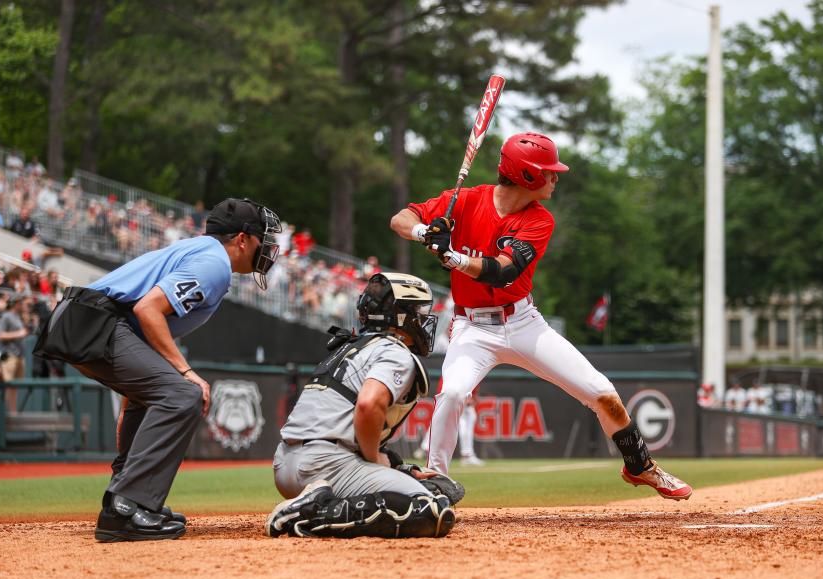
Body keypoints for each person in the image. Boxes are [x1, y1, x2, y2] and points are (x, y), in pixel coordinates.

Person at [390, 132, 692, 500]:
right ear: (527, 176)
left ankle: (640, 466)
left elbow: (501, 270)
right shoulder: (465, 200)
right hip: (471, 327)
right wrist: (425, 232)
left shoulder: (539, 220)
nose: (556, 178)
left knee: (603, 394)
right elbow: (401, 219)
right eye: (549, 171)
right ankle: (434, 480)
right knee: (452, 393)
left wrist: (451, 256)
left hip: (522, 324)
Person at [34, 197, 283, 542]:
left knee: (154, 397)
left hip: (85, 320)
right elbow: (148, 308)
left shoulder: (200, 250)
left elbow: (141, 315)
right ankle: (125, 506)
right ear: (242, 239)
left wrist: (138, 391)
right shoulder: (215, 263)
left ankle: (130, 498)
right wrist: (185, 371)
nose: (267, 247)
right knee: (185, 394)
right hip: (96, 322)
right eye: (262, 238)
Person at [265, 272, 458, 539]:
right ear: (401, 315)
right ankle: (311, 514)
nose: (423, 320)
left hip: (287, 463)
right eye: (417, 311)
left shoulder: (351, 347)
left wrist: (396, 465)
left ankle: (318, 501)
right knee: (431, 509)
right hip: (326, 464)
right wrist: (373, 461)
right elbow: (368, 405)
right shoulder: (394, 351)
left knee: (419, 490)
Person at [0, 293, 31, 414]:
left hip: (19, 356)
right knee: (8, 386)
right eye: (21, 302)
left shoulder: (18, 317)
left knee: (14, 387)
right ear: (16, 304)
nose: (23, 305)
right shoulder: (7, 316)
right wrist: (19, 334)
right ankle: (4, 415)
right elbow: (0, 336)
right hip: (9, 356)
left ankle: (12, 413)